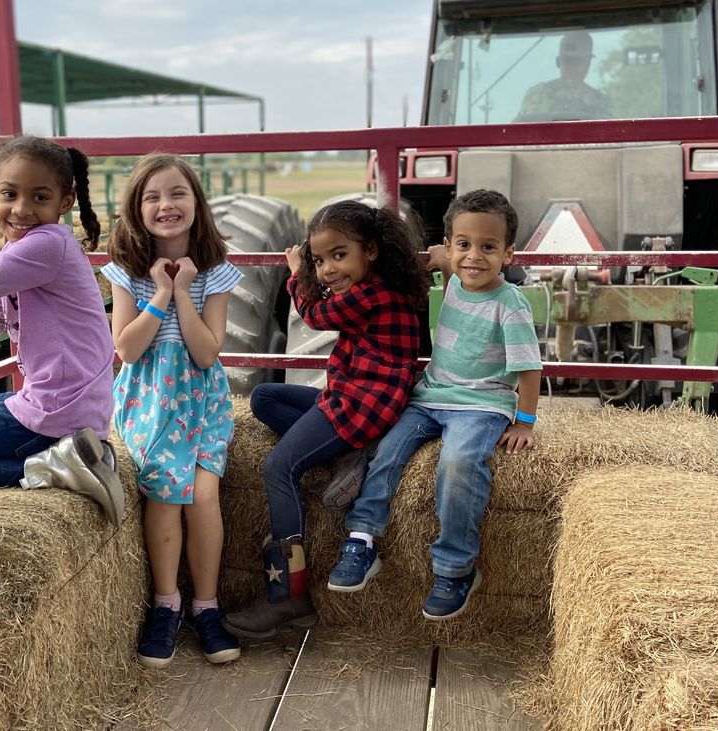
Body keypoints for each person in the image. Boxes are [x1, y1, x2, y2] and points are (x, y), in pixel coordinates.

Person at [328, 189, 542, 620]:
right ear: (448, 246)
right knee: (387, 449)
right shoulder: (451, 269)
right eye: (463, 245)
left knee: (458, 463)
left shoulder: (510, 304)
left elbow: (529, 367)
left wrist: (525, 421)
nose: (473, 257)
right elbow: (414, 260)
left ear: (509, 253)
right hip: (431, 394)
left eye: (488, 247)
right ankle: (362, 538)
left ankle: (455, 567)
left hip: (482, 404)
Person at [221, 200, 428, 640]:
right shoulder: (382, 287)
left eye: (339, 255)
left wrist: (297, 273)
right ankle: (350, 454)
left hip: (359, 406)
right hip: (351, 396)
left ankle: (289, 595)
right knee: (263, 397)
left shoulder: (371, 294)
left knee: (279, 467)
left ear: (370, 250)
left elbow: (313, 315)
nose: (328, 269)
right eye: (319, 259)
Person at [102, 153, 243, 668]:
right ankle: (167, 604)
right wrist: (160, 292)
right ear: (136, 210)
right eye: (152, 196)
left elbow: (207, 352)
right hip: (150, 402)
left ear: (196, 203)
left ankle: (206, 607)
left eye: (177, 193)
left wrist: (185, 291)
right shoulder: (125, 272)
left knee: (203, 495)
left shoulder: (218, 274)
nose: (166, 205)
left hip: (202, 401)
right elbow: (127, 349)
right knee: (164, 494)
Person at [0, 136, 123, 526]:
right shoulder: (22, 247)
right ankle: (67, 457)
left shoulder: (48, 244)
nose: (21, 209)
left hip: (59, 409)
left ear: (65, 202)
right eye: (9, 194)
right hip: (57, 401)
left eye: (39, 198)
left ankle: (51, 469)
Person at [515, 30, 611, 122]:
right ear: (588, 64)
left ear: (558, 61)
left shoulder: (536, 94)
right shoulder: (599, 100)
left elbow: (518, 130)